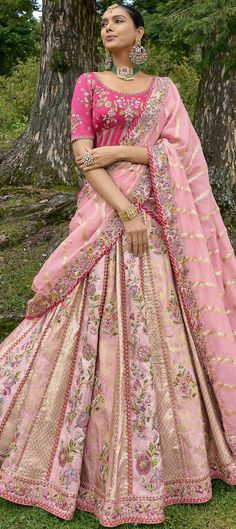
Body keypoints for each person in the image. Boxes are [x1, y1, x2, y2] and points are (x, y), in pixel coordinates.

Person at [0, 2, 236, 527]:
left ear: (139, 31)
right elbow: (85, 157)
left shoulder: (165, 90)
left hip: (158, 224)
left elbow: (181, 153)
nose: (107, 27)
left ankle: (180, 454)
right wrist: (126, 210)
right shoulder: (87, 84)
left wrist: (128, 152)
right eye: (102, 22)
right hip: (110, 216)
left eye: (117, 20)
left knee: (167, 331)